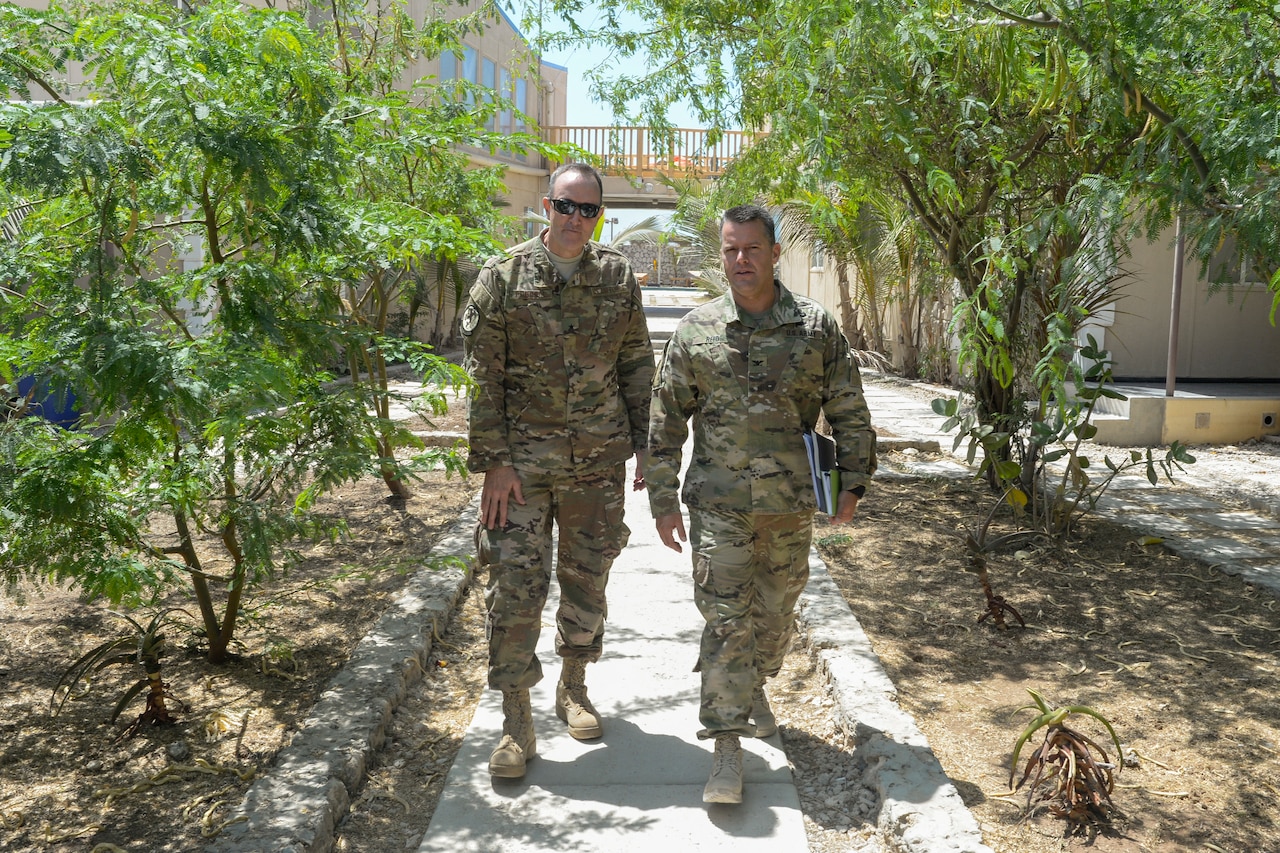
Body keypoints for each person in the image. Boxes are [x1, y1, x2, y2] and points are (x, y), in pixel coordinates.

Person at [646, 203, 876, 804]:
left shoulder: (814, 327)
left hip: (789, 502)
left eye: (751, 249)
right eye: (729, 249)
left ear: (775, 254)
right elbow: (665, 420)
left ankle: (755, 684)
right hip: (717, 503)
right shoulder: (697, 330)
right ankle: (726, 748)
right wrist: (663, 501)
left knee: (774, 617)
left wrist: (853, 481)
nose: (739, 260)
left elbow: (848, 405)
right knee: (727, 621)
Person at [461, 162, 654, 779]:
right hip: (519, 470)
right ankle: (516, 721)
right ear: (547, 206)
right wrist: (493, 462)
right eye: (566, 207)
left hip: (596, 465)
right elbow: (483, 378)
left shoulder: (618, 277)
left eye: (588, 210)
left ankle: (573, 686)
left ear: (601, 215)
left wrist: (648, 446)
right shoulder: (503, 276)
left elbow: (636, 364)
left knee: (587, 581)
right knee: (515, 589)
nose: (576, 220)